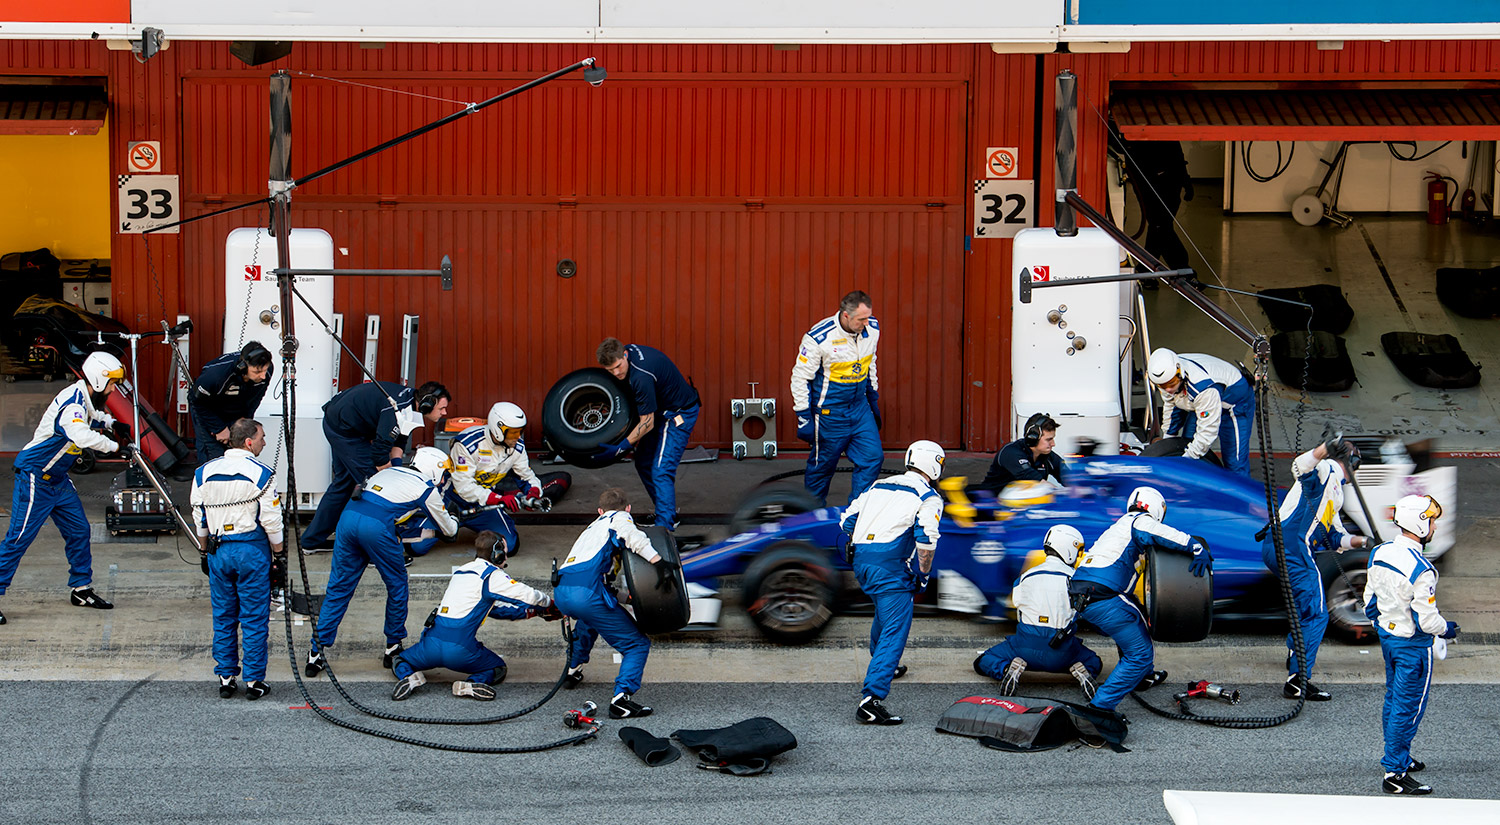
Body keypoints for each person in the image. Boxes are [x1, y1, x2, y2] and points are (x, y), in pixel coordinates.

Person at [304, 447, 458, 678]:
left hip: (347, 519)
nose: (445, 478)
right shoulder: (426, 488)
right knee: (397, 585)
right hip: (376, 528)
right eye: (444, 473)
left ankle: (316, 652)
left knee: (338, 589)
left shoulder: (388, 472)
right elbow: (449, 529)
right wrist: (456, 518)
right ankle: (393, 646)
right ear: (434, 469)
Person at [0, 351, 128, 624]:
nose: (113, 389)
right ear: (97, 379)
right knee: (18, 539)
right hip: (36, 477)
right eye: (111, 383)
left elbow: (93, 416)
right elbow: (80, 433)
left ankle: (81, 590)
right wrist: (114, 446)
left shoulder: (84, 397)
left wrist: (113, 423)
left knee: (79, 530)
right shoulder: (72, 405)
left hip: (57, 478)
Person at [1067, 486, 1210, 713]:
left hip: (1082, 595)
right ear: (1154, 508)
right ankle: (1098, 710)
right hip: (1103, 595)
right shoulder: (1138, 520)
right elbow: (1160, 533)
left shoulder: (1117, 528)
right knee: (1140, 654)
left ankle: (1143, 676)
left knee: (1137, 616)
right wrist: (1194, 545)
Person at [840, 440, 944, 726]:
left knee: (886, 614)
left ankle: (885, 665)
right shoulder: (929, 497)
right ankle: (871, 701)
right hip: (890, 566)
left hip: (861, 563)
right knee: (896, 628)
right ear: (934, 464)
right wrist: (923, 576)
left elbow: (847, 521)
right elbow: (926, 541)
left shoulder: (878, 486)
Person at [390, 530, 560, 702]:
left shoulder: (461, 572)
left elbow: (496, 609)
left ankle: (409, 678)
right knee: (497, 667)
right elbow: (530, 596)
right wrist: (550, 605)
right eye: (505, 554)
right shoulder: (491, 576)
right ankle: (471, 684)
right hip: (460, 649)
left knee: (400, 659)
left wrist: (532, 613)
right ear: (498, 555)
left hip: (430, 644)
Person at [1261, 437, 1369, 702]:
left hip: (1278, 546)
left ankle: (1294, 654)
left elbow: (1335, 537)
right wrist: (1323, 450)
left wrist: (1363, 542)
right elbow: (1300, 466)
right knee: (1318, 613)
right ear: (1351, 462)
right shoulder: (1327, 469)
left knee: (1304, 605)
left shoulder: (1336, 492)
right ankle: (1298, 681)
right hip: (1292, 546)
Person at [1364, 494, 1458, 796]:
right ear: (1420, 524)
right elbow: (1427, 620)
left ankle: (1398, 757)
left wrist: (1381, 625)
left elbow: (1370, 600)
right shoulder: (1422, 569)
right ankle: (1395, 773)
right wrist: (1446, 629)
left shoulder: (1380, 552)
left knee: (1393, 700)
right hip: (1413, 646)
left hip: (1389, 639)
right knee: (1409, 708)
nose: (1433, 526)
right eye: (1431, 520)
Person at [553, 487, 673, 719]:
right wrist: (659, 563)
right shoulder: (619, 518)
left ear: (599, 511)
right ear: (628, 508)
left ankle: (572, 671)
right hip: (586, 593)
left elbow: (596, 576)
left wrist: (624, 598)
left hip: (563, 592)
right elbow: (634, 537)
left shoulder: (591, 530)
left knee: (590, 622)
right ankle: (621, 700)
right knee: (636, 644)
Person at [189, 418, 284, 700]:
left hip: (218, 551)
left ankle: (226, 677)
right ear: (248, 442)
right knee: (254, 617)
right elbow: (272, 520)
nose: (265, 443)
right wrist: (279, 555)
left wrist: (204, 551)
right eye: (262, 437)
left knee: (224, 615)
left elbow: (199, 517)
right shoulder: (263, 473)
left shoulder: (203, 472)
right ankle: (254, 681)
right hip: (251, 551)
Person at [300, 379, 450, 551]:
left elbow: (399, 443)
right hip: (343, 429)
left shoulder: (409, 405)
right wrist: (394, 484)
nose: (445, 412)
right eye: (441, 408)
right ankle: (378, 548)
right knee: (376, 488)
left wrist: (398, 471)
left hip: (345, 423)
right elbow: (379, 454)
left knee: (343, 484)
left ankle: (311, 541)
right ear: (426, 404)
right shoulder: (395, 410)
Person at [974, 525, 1101, 699]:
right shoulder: (1076, 581)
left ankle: (1006, 670)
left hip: (1024, 647)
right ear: (1069, 549)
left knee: (983, 661)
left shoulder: (1025, 576)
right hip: (1062, 650)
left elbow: (1016, 603)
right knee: (1095, 662)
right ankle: (1080, 671)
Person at [435, 401, 571, 558]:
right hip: (452, 500)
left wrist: (533, 493)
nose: (518, 437)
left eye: (520, 431)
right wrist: (498, 499)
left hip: (484, 504)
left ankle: (474, 527)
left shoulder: (517, 446)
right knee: (417, 547)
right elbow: (464, 487)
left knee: (510, 545)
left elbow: (526, 476)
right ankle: (447, 525)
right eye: (513, 432)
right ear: (498, 428)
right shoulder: (467, 444)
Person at [594, 339, 700, 532]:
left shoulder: (640, 376)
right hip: (660, 411)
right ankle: (666, 512)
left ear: (625, 354)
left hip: (678, 415)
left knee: (661, 470)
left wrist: (621, 446)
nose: (616, 373)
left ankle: (664, 529)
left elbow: (647, 423)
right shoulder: (628, 356)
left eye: (618, 366)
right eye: (610, 370)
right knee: (643, 461)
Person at [790, 290, 883, 505]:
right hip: (830, 414)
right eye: (861, 319)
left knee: (872, 458)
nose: (866, 323)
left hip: (859, 409)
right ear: (845, 315)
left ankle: (857, 515)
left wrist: (873, 397)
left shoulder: (873, 328)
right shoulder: (819, 338)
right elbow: (799, 378)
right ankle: (813, 518)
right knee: (822, 468)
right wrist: (803, 416)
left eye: (868, 316)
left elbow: (871, 361)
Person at [1147, 348, 1255, 475]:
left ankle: (1239, 491)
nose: (1169, 389)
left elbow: (1207, 432)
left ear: (1179, 372)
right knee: (1186, 442)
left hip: (1234, 404)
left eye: (1172, 383)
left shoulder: (1203, 389)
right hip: (1199, 401)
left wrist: (1186, 461)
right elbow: (1171, 406)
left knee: (1234, 463)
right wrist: (1167, 442)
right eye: (1163, 386)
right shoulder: (1167, 377)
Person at [189, 341, 274, 463]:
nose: (263, 376)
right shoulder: (216, 375)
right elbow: (196, 401)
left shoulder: (267, 371)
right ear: (243, 367)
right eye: (257, 372)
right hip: (208, 408)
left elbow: (255, 399)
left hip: (237, 409)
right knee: (215, 457)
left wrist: (243, 422)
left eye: (265, 370)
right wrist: (219, 429)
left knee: (240, 453)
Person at [969, 412, 1065, 495]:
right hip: (991, 506)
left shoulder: (1048, 456)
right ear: (1032, 438)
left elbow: (1068, 477)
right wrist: (1058, 493)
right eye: (1049, 439)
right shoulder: (1011, 452)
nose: (1053, 444)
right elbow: (1032, 479)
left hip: (1022, 509)